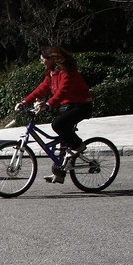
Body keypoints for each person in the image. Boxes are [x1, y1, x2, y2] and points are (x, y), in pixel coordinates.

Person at [15, 45, 93, 183]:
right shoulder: (52, 73)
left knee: (58, 124)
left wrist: (47, 104)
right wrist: (25, 102)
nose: (41, 61)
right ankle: (59, 173)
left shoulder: (68, 72)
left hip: (81, 105)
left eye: (43, 58)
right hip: (67, 106)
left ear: (51, 59)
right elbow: (41, 89)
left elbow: (62, 91)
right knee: (63, 140)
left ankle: (78, 145)